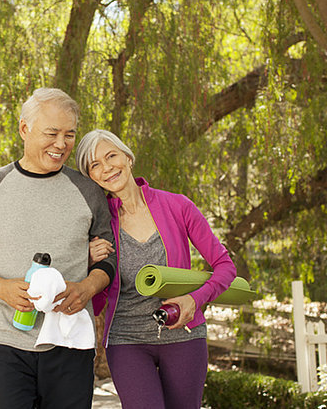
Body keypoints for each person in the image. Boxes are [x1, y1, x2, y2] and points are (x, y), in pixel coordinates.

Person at [0, 88, 117, 409]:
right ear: (24, 129)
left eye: (69, 135)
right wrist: (1, 288)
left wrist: (85, 288)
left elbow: (106, 260)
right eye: (51, 133)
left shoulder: (88, 191)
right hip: (6, 342)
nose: (61, 144)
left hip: (71, 342)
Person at [75, 129, 237, 409]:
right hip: (126, 340)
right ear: (91, 177)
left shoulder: (178, 206)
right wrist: (86, 262)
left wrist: (193, 299)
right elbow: (92, 297)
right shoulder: (97, 225)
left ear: (127, 157)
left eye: (111, 155)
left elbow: (225, 266)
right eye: (95, 165)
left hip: (184, 335)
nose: (107, 167)